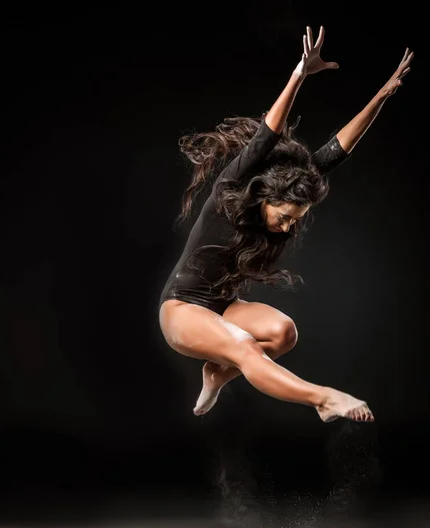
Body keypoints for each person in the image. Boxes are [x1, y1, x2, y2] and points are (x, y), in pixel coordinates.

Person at [158, 26, 413, 423]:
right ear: (264, 198)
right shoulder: (231, 188)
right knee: (245, 346)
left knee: (282, 332)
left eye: (297, 221)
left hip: (222, 306)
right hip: (181, 309)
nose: (288, 228)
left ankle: (218, 373)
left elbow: (337, 149)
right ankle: (322, 400)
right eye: (283, 217)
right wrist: (299, 74)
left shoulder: (292, 189)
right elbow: (266, 135)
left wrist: (381, 96)